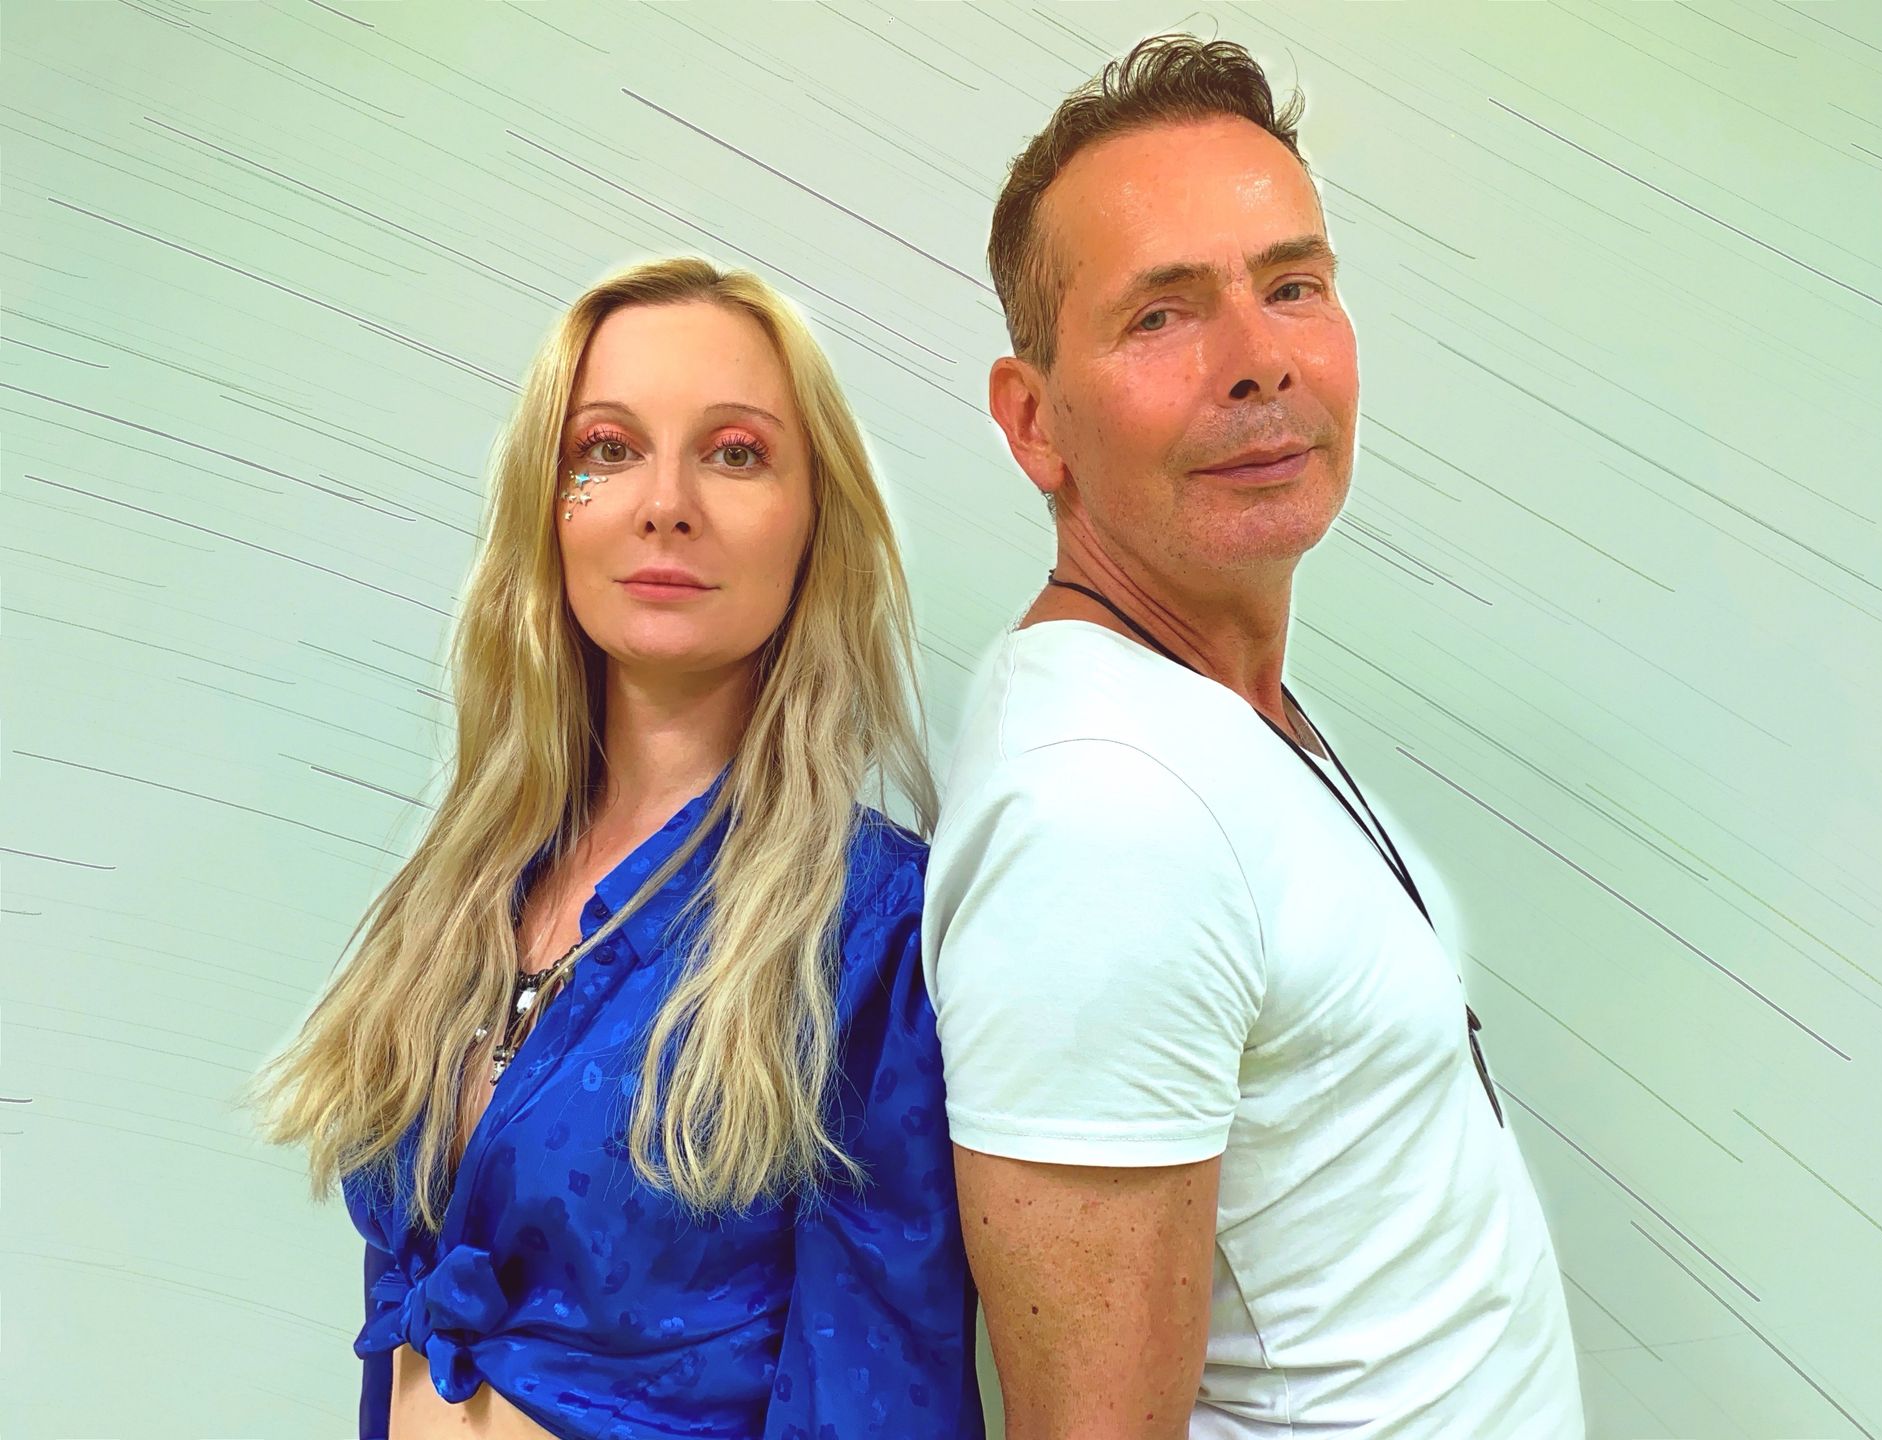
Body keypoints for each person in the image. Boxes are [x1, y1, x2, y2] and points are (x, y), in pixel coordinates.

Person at [922, 33, 1585, 1439]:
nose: (1258, 359)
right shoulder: (1104, 819)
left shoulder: (1210, 698)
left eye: (1292, 286)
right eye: (1162, 315)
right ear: (1034, 424)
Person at [252, 257, 984, 1440]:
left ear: (814, 522)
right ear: (550, 507)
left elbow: (876, 1403)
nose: (665, 503)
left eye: (735, 452)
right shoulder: (464, 888)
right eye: (607, 448)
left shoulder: (869, 937)